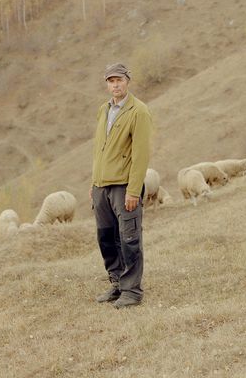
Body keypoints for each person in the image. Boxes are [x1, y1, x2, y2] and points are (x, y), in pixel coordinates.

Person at [90, 62, 153, 308]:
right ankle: (117, 284)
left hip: (123, 186)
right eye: (110, 81)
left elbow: (141, 155)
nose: (115, 85)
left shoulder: (139, 112)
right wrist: (93, 182)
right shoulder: (103, 110)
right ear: (107, 84)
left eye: (119, 80)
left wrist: (133, 190)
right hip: (101, 186)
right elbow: (98, 149)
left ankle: (132, 291)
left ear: (127, 81)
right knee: (106, 238)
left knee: (129, 238)